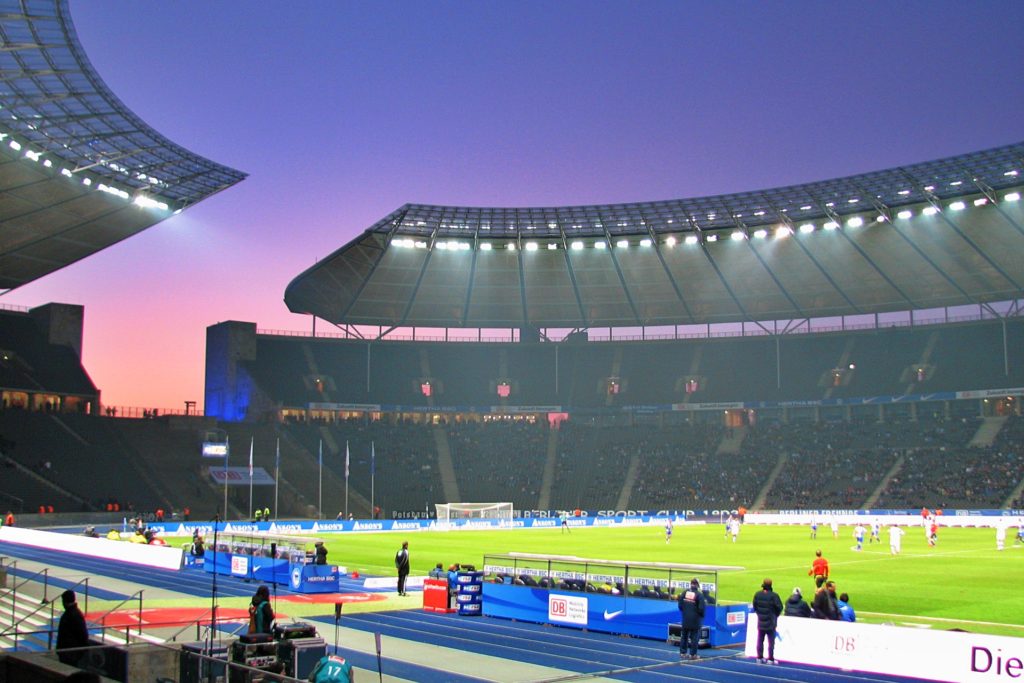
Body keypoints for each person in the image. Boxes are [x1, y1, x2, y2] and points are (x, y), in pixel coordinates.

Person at [751, 578, 782, 665]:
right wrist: (775, 615)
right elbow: (779, 607)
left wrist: (760, 614)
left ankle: (759, 657)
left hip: (761, 620)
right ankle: (770, 658)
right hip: (771, 622)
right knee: (771, 641)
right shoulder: (774, 596)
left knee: (760, 640)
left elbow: (755, 606)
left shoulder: (758, 594)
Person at [56, 589, 90, 666]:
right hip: (67, 650)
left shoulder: (73, 614)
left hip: (70, 651)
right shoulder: (71, 613)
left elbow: (82, 634)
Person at [677, 577, 706, 660]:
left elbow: (680, 605)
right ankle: (693, 655)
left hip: (685, 618)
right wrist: (700, 616)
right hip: (695, 620)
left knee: (684, 636)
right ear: (697, 585)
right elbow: (701, 609)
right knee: (694, 638)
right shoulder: (699, 595)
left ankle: (683, 653)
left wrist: (686, 612)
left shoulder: (685, 592)